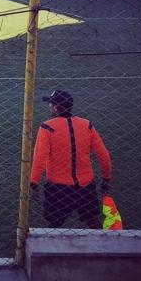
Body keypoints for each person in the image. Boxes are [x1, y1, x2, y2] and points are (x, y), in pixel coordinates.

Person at [30, 90, 112, 229]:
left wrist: (34, 183)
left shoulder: (47, 127)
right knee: (93, 222)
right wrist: (106, 178)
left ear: (55, 107)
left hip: (58, 188)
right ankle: (102, 247)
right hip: (85, 187)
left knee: (54, 226)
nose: (49, 106)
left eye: (50, 104)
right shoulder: (87, 125)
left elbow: (39, 158)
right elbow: (103, 155)